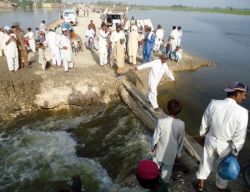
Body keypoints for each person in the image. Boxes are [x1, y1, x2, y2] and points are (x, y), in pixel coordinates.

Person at [194, 81, 248, 192]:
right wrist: (235, 152)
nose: (244, 97)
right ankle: (221, 188)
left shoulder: (214, 103)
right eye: (243, 94)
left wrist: (202, 134)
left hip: (211, 138)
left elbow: (205, 121)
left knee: (206, 161)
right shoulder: (242, 112)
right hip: (226, 145)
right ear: (237, 94)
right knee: (224, 166)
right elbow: (239, 136)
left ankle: (200, 184)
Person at [152, 99, 185, 188]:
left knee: (155, 165)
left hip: (160, 149)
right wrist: (178, 152)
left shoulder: (161, 121)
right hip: (171, 152)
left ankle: (153, 179)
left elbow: (156, 136)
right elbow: (180, 140)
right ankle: (163, 184)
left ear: (167, 109)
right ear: (179, 111)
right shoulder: (181, 124)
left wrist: (153, 146)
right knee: (167, 169)